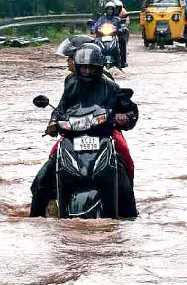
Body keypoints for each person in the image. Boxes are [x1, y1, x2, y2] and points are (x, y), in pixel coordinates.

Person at [30, 43, 139, 218]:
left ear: (99, 67)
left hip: (103, 134)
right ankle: (34, 219)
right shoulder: (71, 84)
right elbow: (60, 109)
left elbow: (130, 110)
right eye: (83, 68)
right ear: (77, 68)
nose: (87, 72)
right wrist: (53, 123)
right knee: (42, 180)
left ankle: (130, 214)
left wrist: (123, 117)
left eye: (91, 68)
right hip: (73, 137)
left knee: (123, 164)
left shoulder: (110, 86)